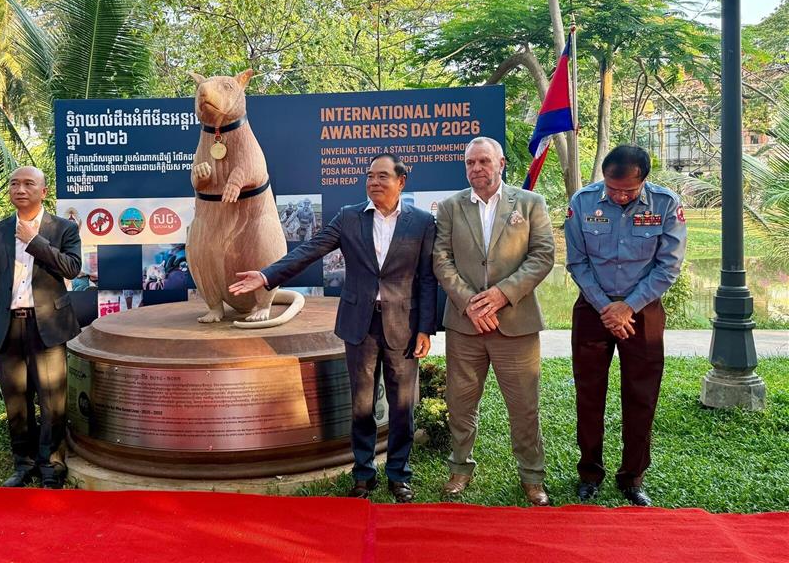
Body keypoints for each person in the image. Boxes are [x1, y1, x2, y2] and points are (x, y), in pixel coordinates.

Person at [230, 153, 437, 503]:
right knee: (361, 405)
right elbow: (309, 251)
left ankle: (399, 474)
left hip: (404, 326)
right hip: (360, 325)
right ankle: (363, 474)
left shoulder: (421, 222)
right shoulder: (349, 218)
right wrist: (266, 276)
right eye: (370, 176)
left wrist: (425, 329)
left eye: (382, 176)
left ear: (401, 182)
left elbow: (428, 279)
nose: (374, 182)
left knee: (402, 407)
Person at [432, 137, 555, 506]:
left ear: (501, 163)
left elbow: (543, 255)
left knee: (523, 405)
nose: (476, 169)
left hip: (515, 323)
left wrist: (502, 294)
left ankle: (532, 477)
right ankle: (459, 469)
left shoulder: (530, 203)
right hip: (465, 325)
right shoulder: (452, 207)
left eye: (484, 161)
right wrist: (470, 302)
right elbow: (441, 259)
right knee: (460, 402)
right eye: (470, 163)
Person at [564, 145, 686, 507]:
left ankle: (632, 477)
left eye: (628, 191)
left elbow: (668, 266)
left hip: (644, 312)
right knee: (589, 395)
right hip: (593, 309)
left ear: (644, 181)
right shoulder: (583, 201)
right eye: (612, 187)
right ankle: (589, 473)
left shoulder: (665, 204)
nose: (618, 196)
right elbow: (577, 261)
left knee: (641, 395)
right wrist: (608, 308)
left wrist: (627, 308)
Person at [0, 166, 82, 489]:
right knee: (16, 399)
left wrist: (34, 241)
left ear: (43, 191)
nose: (19, 189)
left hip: (48, 326)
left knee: (52, 400)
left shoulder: (63, 228)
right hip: (9, 327)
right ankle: (23, 463)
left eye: (28, 184)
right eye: (14, 183)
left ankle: (51, 464)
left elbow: (72, 268)